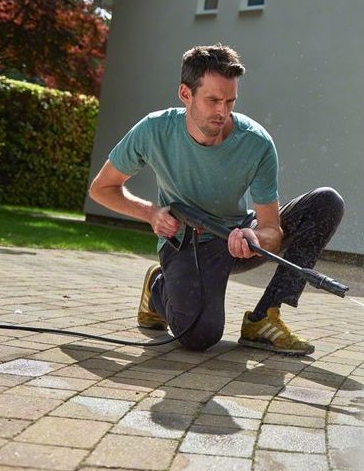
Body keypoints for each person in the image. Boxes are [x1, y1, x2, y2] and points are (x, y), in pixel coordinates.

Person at [88, 44, 344, 356]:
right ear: (186, 94)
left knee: (326, 203)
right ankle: (158, 287)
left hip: (237, 236)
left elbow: (271, 229)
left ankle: (264, 317)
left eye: (230, 101)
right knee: (199, 335)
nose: (222, 111)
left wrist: (254, 237)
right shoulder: (154, 130)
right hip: (186, 243)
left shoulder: (256, 143)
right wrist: (152, 213)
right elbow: (102, 188)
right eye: (213, 100)